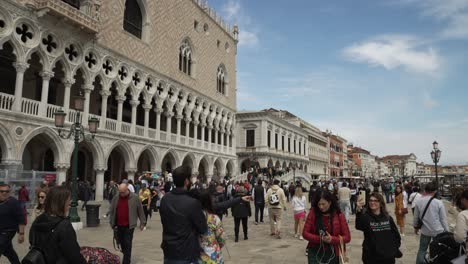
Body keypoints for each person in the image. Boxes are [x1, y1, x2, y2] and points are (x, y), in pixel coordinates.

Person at [160, 166, 208, 263]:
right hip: (187, 253)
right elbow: (203, 228)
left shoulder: (165, 199)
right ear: (186, 181)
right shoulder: (193, 202)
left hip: (169, 251)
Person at [28, 186, 87, 264]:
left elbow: (32, 241)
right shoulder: (64, 225)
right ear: (61, 202)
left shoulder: (38, 219)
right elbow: (73, 255)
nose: (70, 202)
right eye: (69, 199)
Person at [302, 190, 351, 264]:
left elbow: (347, 237)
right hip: (315, 251)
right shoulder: (313, 213)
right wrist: (321, 239)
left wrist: (332, 239)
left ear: (330, 202)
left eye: (323, 204)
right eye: (319, 204)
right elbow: (305, 233)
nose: (321, 207)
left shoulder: (339, 215)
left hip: (334, 253)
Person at [356, 192, 401, 264]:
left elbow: (396, 235)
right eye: (370, 200)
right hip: (371, 257)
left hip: (387, 257)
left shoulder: (388, 218)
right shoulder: (366, 217)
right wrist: (359, 209)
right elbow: (358, 226)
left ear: (381, 203)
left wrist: (393, 248)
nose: (372, 202)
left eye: (375, 201)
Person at [108, 183, 146, 264]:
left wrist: (142, 222)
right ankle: (126, 254)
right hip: (118, 225)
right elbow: (112, 210)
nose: (121, 194)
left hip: (129, 225)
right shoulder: (116, 197)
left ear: (127, 190)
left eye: (122, 192)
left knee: (128, 244)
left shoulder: (135, 198)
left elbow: (140, 210)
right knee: (121, 243)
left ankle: (126, 261)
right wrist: (111, 222)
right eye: (120, 192)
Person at [413, 182, 449, 264]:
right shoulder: (438, 202)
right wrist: (447, 231)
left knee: (422, 249)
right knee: (436, 250)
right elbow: (443, 219)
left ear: (425, 190)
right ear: (435, 191)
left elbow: (416, 217)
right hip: (437, 231)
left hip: (425, 231)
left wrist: (415, 227)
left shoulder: (419, 201)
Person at [197, 190, 225, 263]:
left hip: (198, 255)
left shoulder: (192, 218)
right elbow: (222, 239)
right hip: (214, 254)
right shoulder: (214, 218)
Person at [0, 183, 25, 264]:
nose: (4, 193)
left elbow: (21, 219)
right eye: (2, 191)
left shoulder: (14, 203)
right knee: (8, 251)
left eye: (7, 191)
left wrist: (21, 233)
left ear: (9, 192)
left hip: (8, 231)